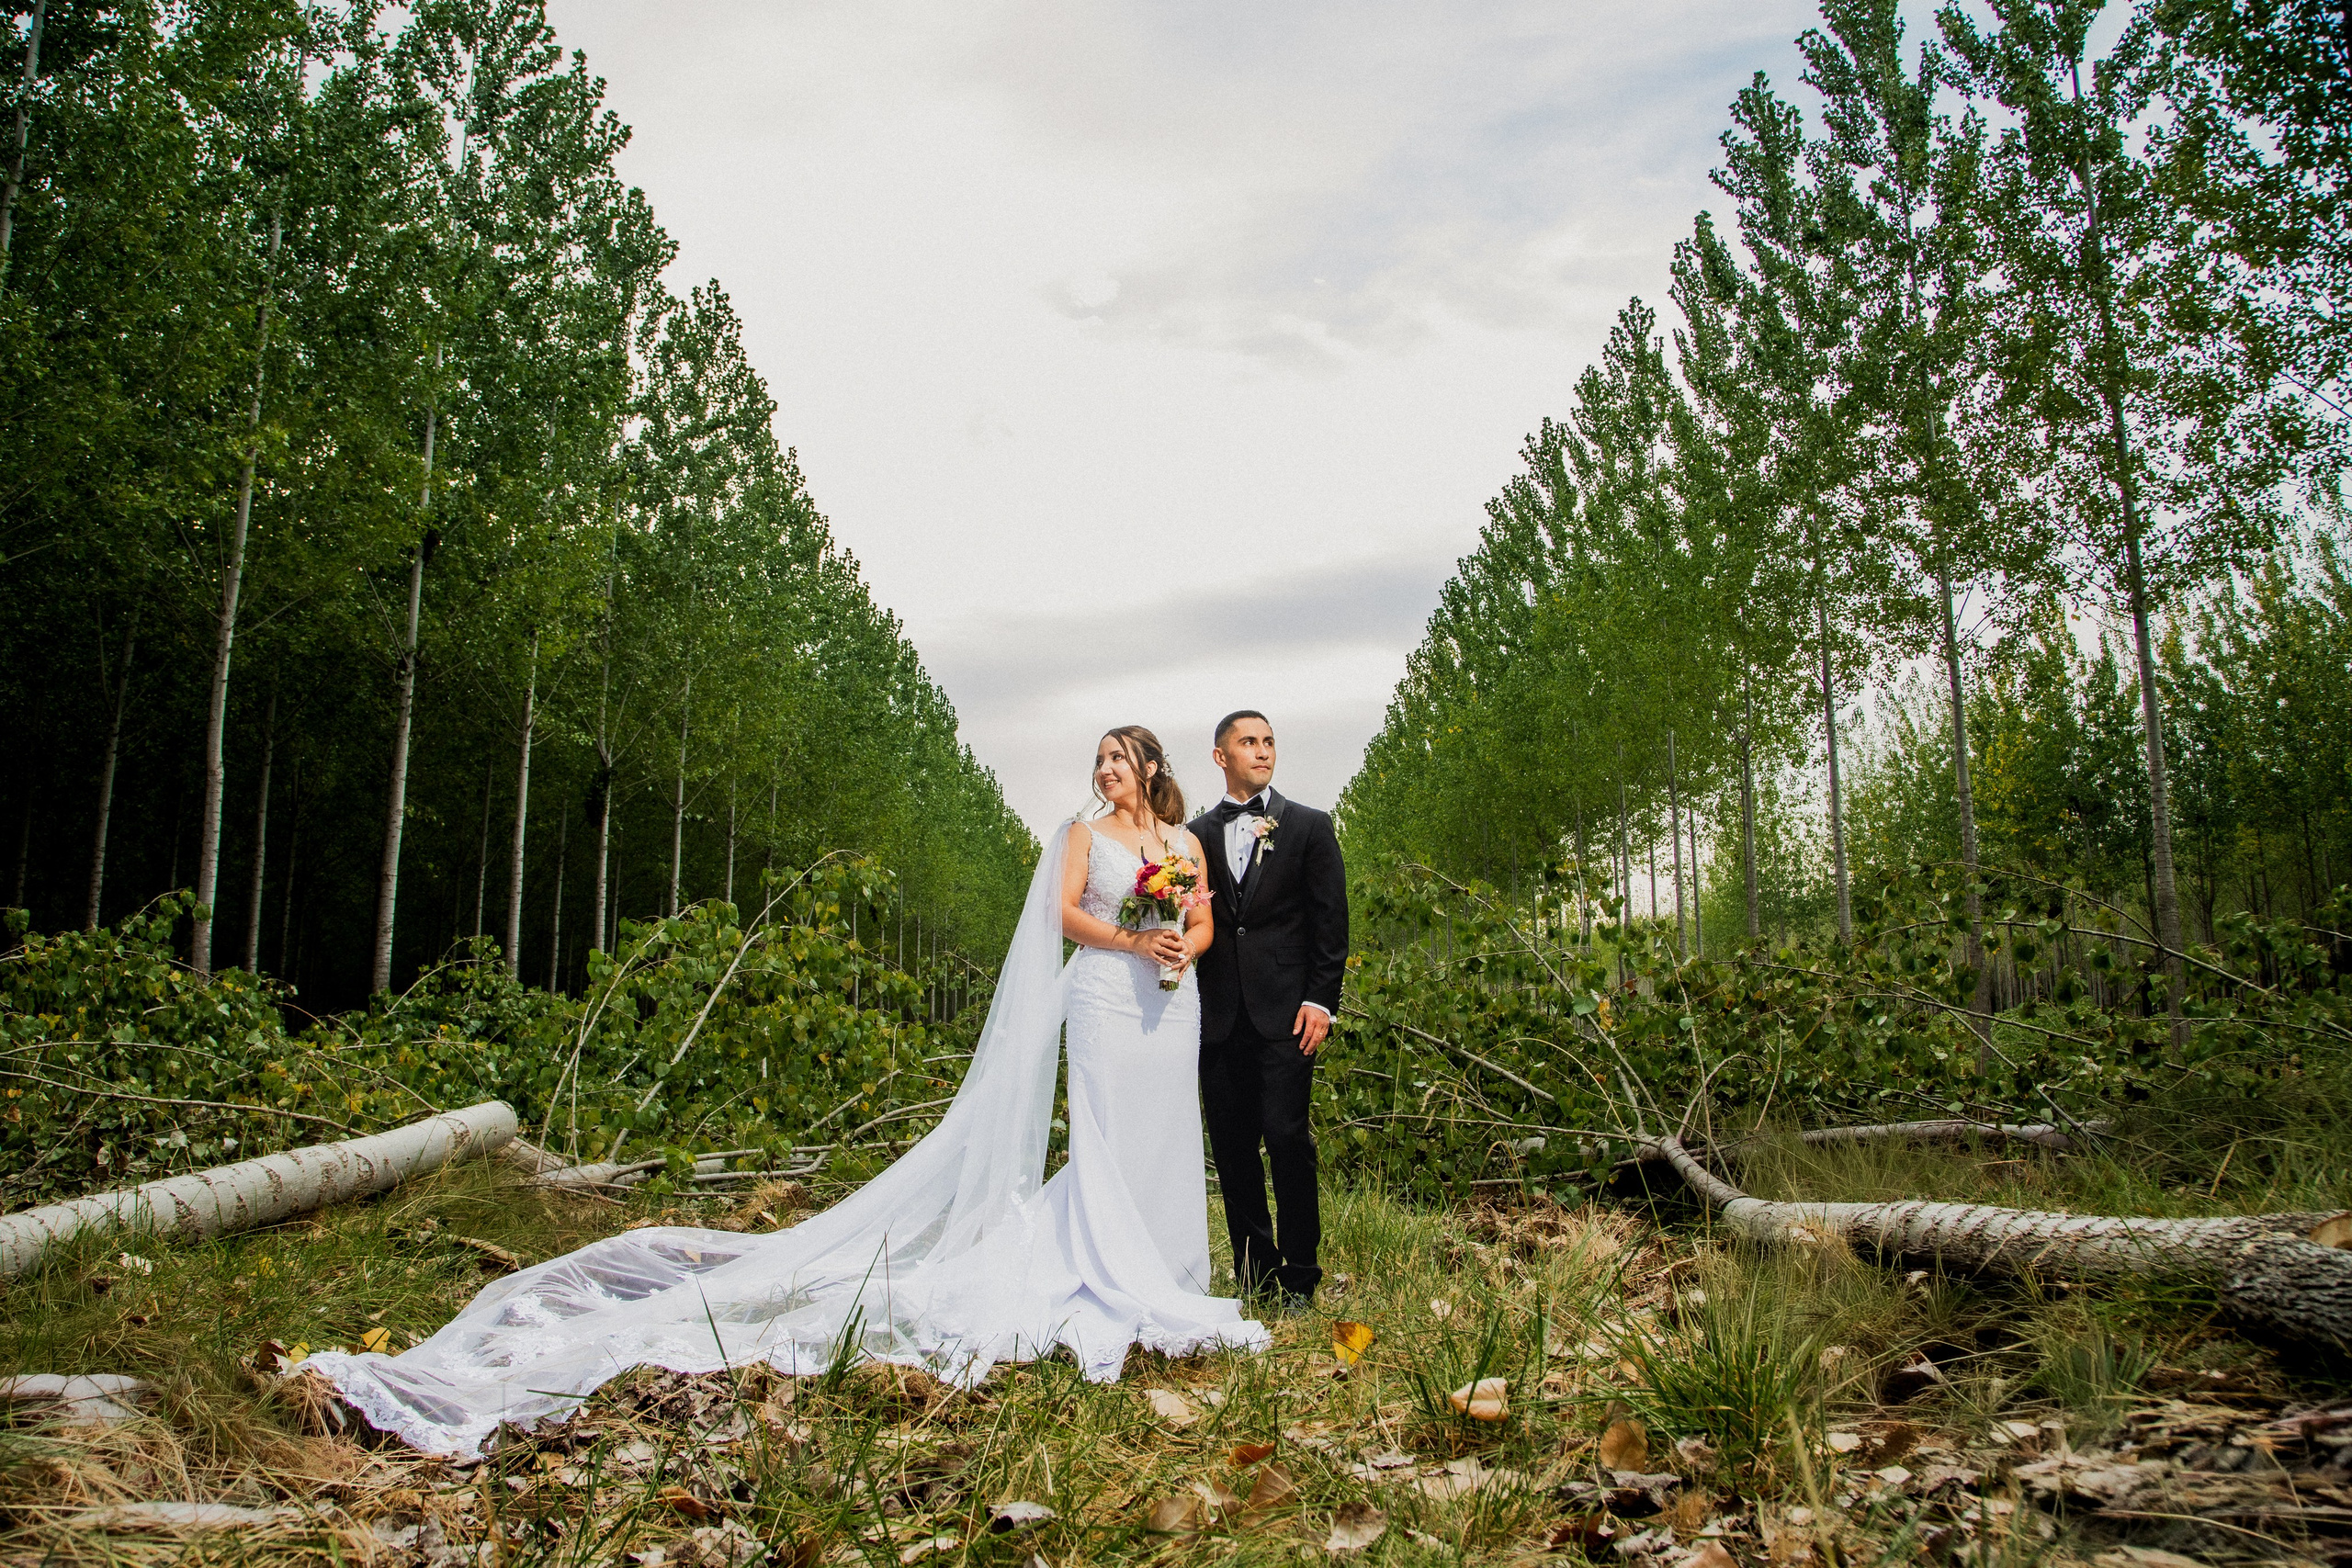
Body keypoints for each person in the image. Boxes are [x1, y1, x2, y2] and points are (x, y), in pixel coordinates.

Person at [305, 726, 1268, 1459]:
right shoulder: (1080, 834)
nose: (1104, 772)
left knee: (1162, 1135)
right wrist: (1130, 940)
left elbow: (1199, 918)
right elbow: (1064, 916)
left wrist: (1181, 942)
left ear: (1150, 768)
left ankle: (1170, 1274)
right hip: (1105, 995)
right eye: (1096, 759)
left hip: (1165, 1005)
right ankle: (1102, 1271)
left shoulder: (1181, 838)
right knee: (1103, 1135)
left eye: (1118, 760)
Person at [1188, 711, 1348, 1312]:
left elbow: (1330, 924)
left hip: (1288, 1014)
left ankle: (1301, 1276)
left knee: (1286, 1138)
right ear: (1220, 755)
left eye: (1268, 741)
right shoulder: (1194, 836)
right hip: (1218, 1015)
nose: (1262, 750)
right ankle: (1255, 1276)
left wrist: (1321, 1001)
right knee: (1232, 1147)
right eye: (1248, 742)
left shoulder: (1308, 826)